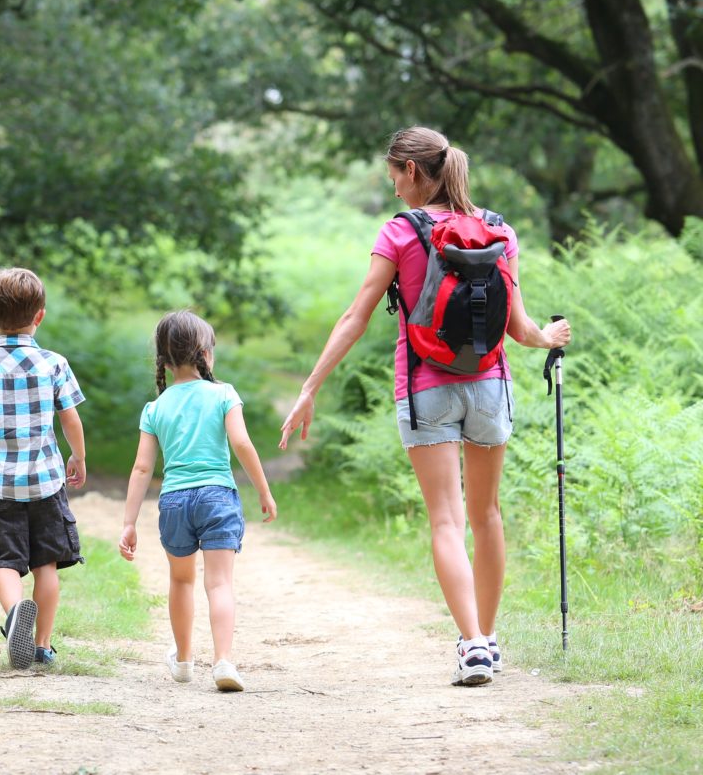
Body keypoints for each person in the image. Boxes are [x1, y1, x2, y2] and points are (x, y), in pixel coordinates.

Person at [278, 126, 571, 686]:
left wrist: (310, 387)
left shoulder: (399, 233)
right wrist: (549, 337)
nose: (393, 190)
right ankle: (486, 639)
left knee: (446, 517)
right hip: (490, 386)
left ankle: (473, 646)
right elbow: (519, 327)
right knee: (487, 516)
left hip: (425, 387)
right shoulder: (499, 231)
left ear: (412, 171)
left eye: (393, 175)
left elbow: (356, 317)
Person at [119, 310, 277, 692]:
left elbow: (142, 468)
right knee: (219, 583)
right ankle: (223, 660)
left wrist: (129, 521)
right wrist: (263, 489)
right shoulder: (224, 394)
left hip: (174, 501)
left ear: (164, 360)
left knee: (181, 580)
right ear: (205, 354)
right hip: (217, 497)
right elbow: (241, 442)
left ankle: (185, 660)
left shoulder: (155, 408)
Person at [0, 267, 86, 670]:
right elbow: (71, 419)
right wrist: (77, 456)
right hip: (45, 480)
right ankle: (41, 645)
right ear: (39, 315)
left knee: (5, 562)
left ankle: (14, 616)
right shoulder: (53, 364)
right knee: (46, 564)